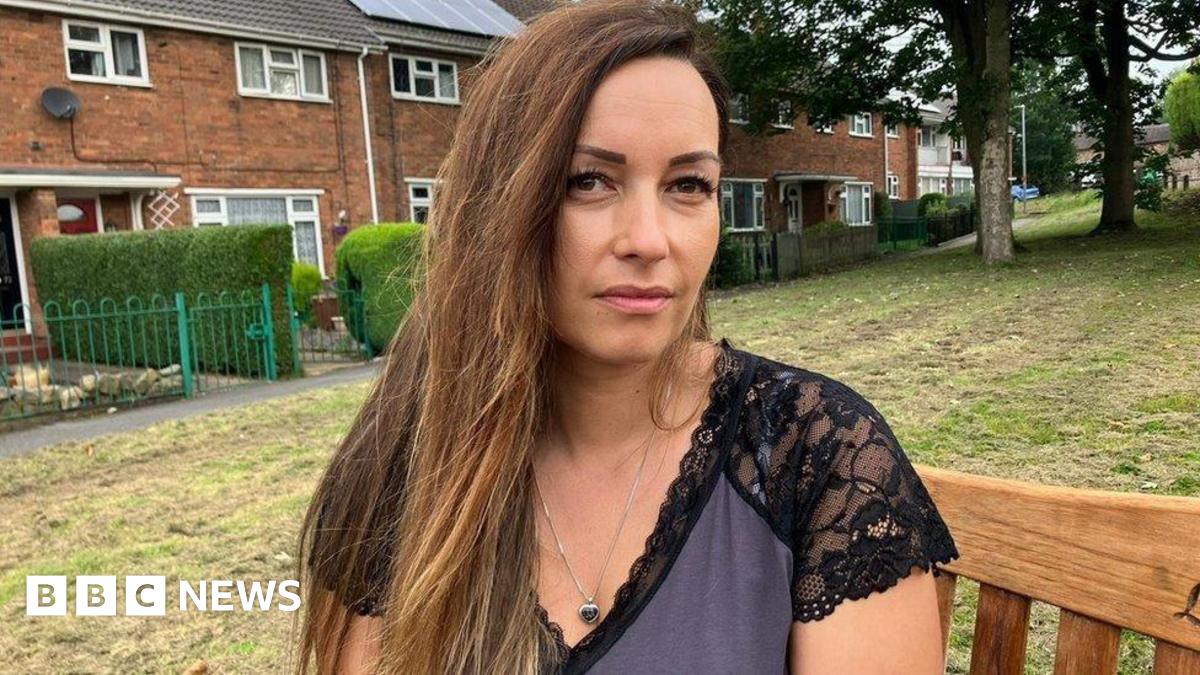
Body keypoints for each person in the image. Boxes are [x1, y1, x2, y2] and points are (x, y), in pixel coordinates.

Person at [296, 1, 960, 673]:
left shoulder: (815, 456)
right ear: (500, 205)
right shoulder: (405, 461)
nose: (648, 239)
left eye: (688, 185)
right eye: (589, 181)